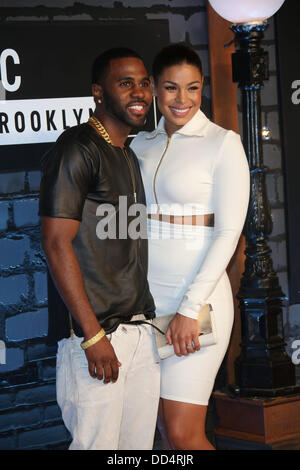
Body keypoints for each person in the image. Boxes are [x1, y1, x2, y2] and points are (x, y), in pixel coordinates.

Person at [39, 48, 160, 450]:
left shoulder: (126, 152)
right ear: (98, 93)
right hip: (96, 336)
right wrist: (92, 338)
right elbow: (56, 244)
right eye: (125, 83)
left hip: (139, 330)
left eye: (144, 82)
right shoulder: (77, 147)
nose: (139, 91)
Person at [131, 43, 250, 450]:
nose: (182, 99)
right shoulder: (140, 144)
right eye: (170, 88)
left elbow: (228, 235)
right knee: (165, 431)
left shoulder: (223, 143)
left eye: (193, 88)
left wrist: (188, 309)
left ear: (202, 89)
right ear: (154, 90)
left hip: (195, 299)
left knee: (184, 434)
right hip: (145, 302)